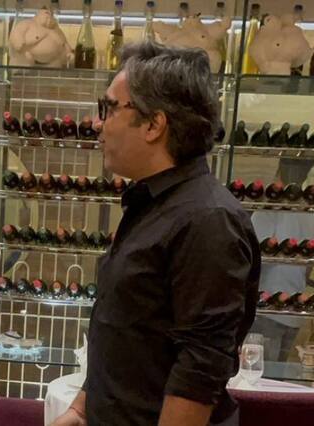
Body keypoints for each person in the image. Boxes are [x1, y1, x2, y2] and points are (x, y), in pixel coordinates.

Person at [54, 41, 260, 426]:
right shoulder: (152, 205)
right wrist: (82, 407)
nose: (99, 123)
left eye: (109, 108)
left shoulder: (208, 220)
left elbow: (201, 366)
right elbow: (128, 339)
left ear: (153, 124)